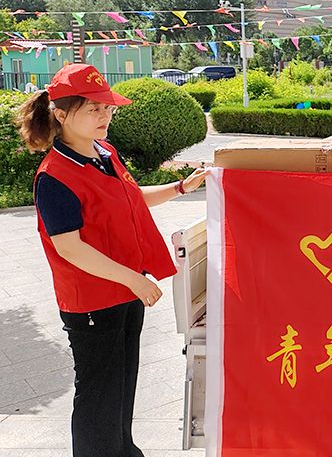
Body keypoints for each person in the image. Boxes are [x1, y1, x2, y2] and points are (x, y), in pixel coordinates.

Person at [16, 64, 207, 457]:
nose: (104, 116)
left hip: (123, 290)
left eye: (107, 108)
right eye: (93, 109)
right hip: (92, 300)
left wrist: (179, 187)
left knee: (121, 387)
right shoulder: (55, 177)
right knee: (98, 395)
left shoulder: (105, 153)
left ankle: (124, 450)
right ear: (61, 115)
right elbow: (70, 247)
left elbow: (132, 197)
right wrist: (133, 279)